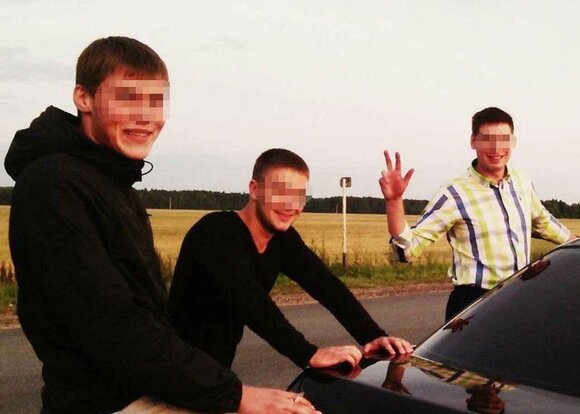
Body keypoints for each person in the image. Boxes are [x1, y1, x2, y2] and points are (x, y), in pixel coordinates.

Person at [5, 37, 319, 414]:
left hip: (147, 386)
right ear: (84, 98)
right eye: (128, 98)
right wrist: (234, 395)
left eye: (156, 102)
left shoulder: (111, 182)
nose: (146, 117)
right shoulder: (54, 186)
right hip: (108, 401)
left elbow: (322, 283)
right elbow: (111, 325)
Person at [168, 148, 413, 372]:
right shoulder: (215, 232)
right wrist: (308, 354)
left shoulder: (282, 239)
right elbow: (250, 301)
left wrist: (372, 336)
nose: (291, 205)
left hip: (211, 374)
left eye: (299, 196)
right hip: (169, 371)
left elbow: (327, 287)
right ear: (254, 190)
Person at [379, 107, 576, 321]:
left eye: (504, 139)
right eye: (487, 139)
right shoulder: (454, 193)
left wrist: (576, 244)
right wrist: (394, 202)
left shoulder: (522, 181)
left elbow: (543, 222)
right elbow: (407, 250)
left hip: (519, 296)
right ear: (473, 141)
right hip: (473, 305)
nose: (496, 148)